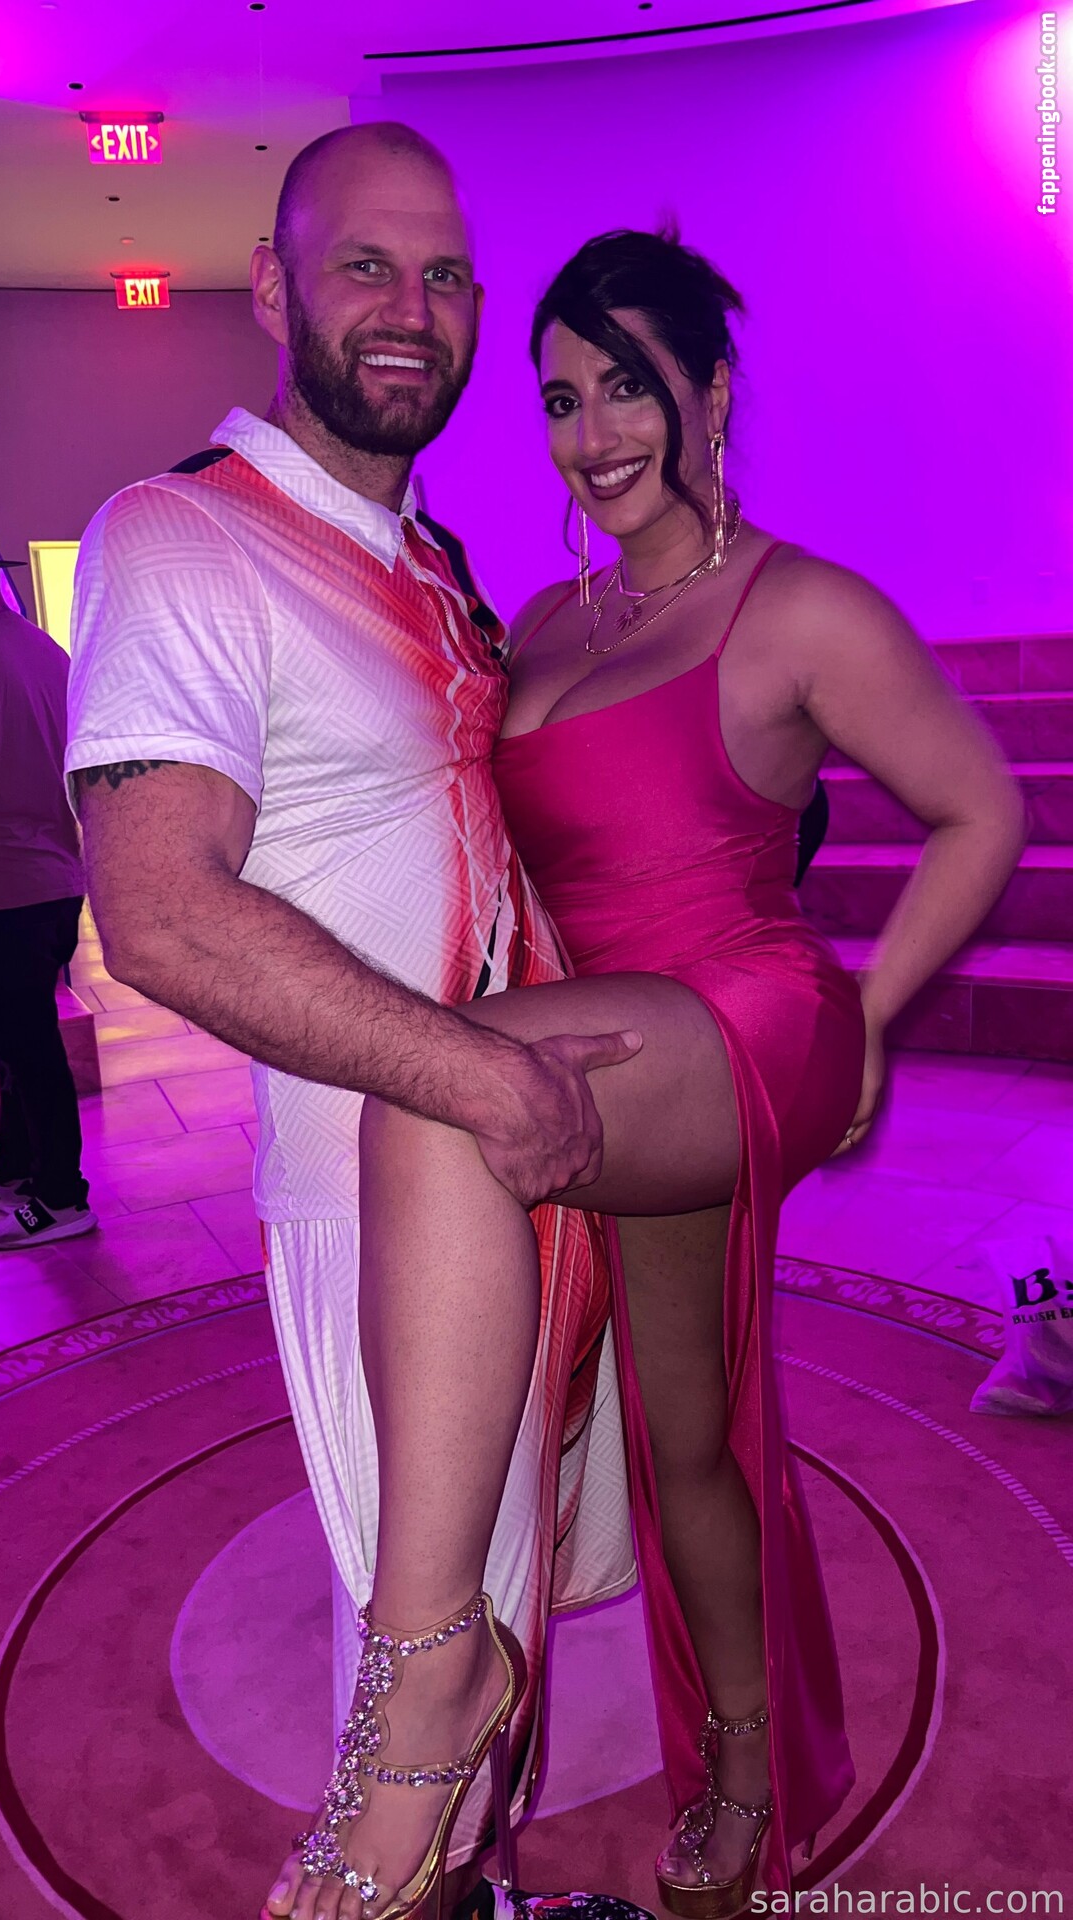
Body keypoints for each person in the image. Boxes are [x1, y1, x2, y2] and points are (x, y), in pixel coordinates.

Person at [303, 228, 1027, 1920]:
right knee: (686, 1437)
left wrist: (872, 1015)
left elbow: (982, 811)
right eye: (562, 399)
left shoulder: (803, 607)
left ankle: (434, 1671)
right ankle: (748, 1764)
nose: (593, 432)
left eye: (629, 385)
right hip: (615, 1042)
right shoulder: (547, 618)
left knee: (438, 1092)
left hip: (751, 1013)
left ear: (711, 388)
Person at [65, 126, 644, 1920]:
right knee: (417, 1697)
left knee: (502, 1647)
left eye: (446, 274)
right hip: (392, 1197)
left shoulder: (431, 560)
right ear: (274, 287)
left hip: (530, 1165)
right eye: (367, 266)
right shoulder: (180, 537)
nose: (414, 307)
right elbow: (162, 914)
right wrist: (472, 1070)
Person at [0, 569, 95, 1248]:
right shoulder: (43, 651)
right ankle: (16, 1170)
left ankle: (60, 1196)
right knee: (19, 1038)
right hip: (55, 878)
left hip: (8, 884)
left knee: (28, 1047)